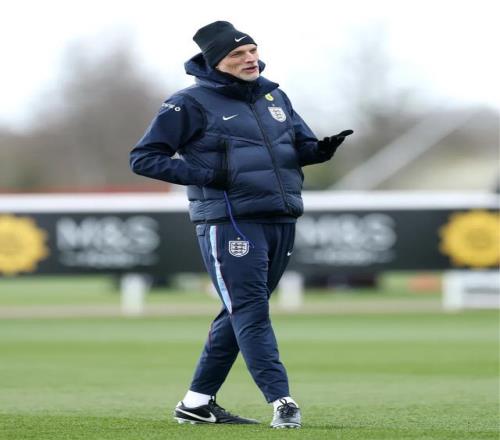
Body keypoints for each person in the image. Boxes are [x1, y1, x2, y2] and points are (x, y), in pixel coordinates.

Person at [130, 20, 353, 429]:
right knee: (250, 310)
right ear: (216, 62)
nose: (250, 58)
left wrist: (319, 151)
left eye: (252, 50)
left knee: (240, 312)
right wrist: (207, 175)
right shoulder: (188, 103)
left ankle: (196, 403)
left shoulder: (274, 95)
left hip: (280, 217)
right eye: (238, 54)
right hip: (230, 221)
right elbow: (143, 158)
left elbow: (296, 146)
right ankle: (282, 400)